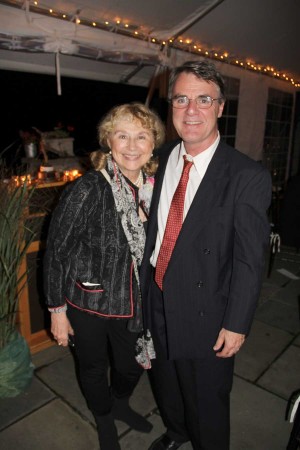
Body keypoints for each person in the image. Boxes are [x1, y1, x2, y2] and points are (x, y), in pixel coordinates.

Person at [140, 60, 272, 450]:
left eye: (203, 99)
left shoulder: (246, 175)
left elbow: (251, 259)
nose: (191, 110)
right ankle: (177, 432)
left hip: (207, 311)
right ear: (172, 106)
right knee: (166, 382)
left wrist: (237, 322)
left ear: (220, 107)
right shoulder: (158, 159)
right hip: (157, 295)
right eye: (181, 99)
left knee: (207, 400)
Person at [43, 102, 165, 450]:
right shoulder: (88, 189)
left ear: (152, 143)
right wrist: (57, 312)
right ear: (108, 141)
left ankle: (120, 403)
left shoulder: (156, 192)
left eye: (141, 136)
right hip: (89, 301)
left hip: (137, 303)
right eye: (122, 135)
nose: (131, 146)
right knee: (93, 367)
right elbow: (56, 254)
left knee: (133, 366)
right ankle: (103, 416)